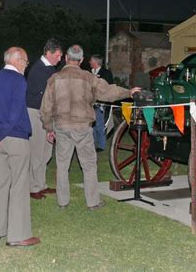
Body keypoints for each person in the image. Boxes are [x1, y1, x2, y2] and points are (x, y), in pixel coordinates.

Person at [40, 45, 140, 210]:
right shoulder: (88, 78)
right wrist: (128, 92)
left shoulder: (54, 79)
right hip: (82, 128)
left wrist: (48, 127)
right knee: (88, 165)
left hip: (62, 127)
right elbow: (108, 91)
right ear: (81, 60)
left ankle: (62, 202)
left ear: (66, 58)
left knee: (62, 165)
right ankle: (93, 202)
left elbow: (45, 108)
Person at [0, 46, 40, 247]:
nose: (26, 66)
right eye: (26, 62)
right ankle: (18, 235)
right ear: (18, 60)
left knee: (0, 183)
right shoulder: (19, 80)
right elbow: (14, 114)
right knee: (19, 185)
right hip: (15, 138)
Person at [26, 38, 63, 199]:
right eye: (57, 55)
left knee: (46, 151)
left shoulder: (49, 69)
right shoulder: (39, 69)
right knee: (36, 151)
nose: (59, 59)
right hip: (37, 114)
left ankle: (41, 184)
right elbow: (45, 97)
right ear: (48, 52)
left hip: (47, 115)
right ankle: (32, 187)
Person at [89, 54, 114, 152]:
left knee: (99, 125)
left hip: (101, 104)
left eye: (91, 61)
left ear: (95, 62)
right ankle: (93, 143)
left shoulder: (106, 73)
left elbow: (109, 88)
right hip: (90, 103)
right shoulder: (89, 72)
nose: (89, 62)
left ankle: (101, 145)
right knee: (92, 125)